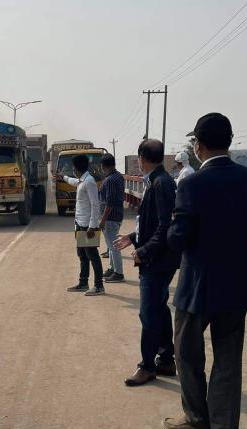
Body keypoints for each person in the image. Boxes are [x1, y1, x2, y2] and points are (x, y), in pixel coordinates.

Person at [162, 113, 247, 429]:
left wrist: (169, 231)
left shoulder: (191, 185)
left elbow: (179, 238)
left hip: (198, 285)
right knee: (229, 360)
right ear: (229, 141)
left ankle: (197, 421)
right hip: (237, 283)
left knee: (187, 354)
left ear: (198, 145)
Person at [114, 139, 180, 386]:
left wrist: (145, 250)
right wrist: (133, 238)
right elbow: (152, 223)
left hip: (158, 260)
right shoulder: (156, 181)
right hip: (157, 257)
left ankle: (147, 365)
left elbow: (166, 225)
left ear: (142, 158)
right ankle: (165, 359)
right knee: (159, 309)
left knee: (149, 313)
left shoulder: (161, 184)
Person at [55, 154, 105, 296]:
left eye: (73, 167)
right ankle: (83, 283)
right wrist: (62, 177)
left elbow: (96, 204)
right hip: (80, 223)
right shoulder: (82, 180)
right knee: (82, 254)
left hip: (88, 225)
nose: (72, 170)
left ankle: (99, 286)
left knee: (92, 255)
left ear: (76, 168)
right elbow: (74, 182)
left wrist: (92, 226)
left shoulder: (89, 182)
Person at [98, 153, 125, 283]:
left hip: (110, 217)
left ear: (103, 166)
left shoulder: (110, 180)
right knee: (110, 245)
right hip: (116, 216)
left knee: (113, 246)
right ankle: (112, 268)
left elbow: (110, 202)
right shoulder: (118, 176)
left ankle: (118, 273)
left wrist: (102, 220)